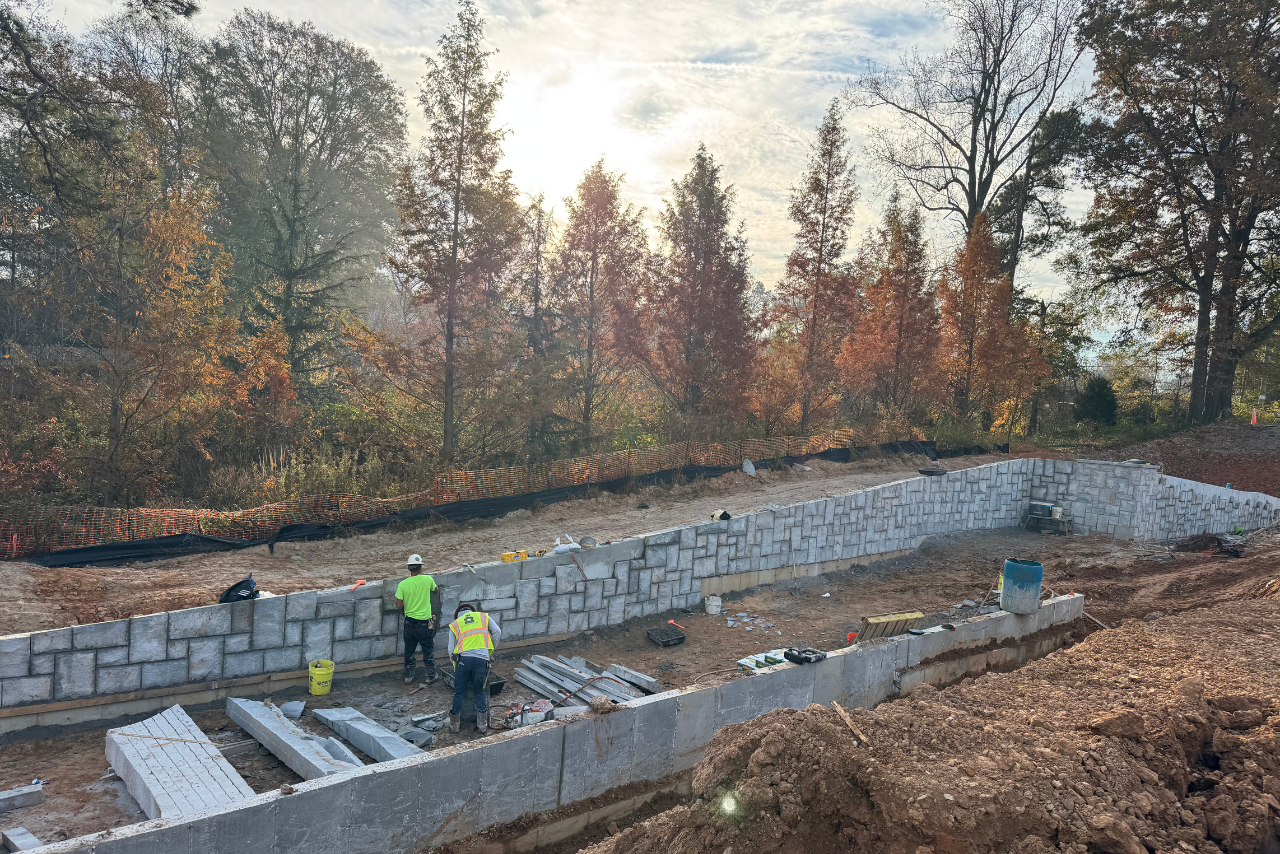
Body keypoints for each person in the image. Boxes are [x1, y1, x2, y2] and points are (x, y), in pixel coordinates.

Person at [447, 603, 501, 733]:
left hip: (464, 661)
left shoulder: (456, 624)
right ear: (472, 612)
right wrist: (489, 651)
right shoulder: (483, 617)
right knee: (480, 691)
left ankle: (454, 726)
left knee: (459, 692)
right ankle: (482, 725)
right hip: (481, 660)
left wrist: (455, 665)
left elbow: (451, 650)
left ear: (458, 615)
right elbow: (497, 631)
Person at [395, 554, 442, 684]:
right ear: (420, 567)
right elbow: (436, 591)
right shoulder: (428, 580)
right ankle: (431, 675)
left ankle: (409, 676)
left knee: (409, 649)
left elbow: (399, 605)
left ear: (409, 568)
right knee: (428, 649)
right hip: (425, 623)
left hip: (409, 622)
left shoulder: (403, 584)